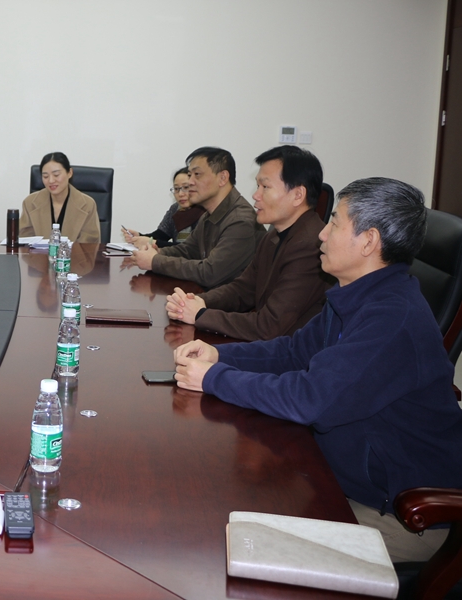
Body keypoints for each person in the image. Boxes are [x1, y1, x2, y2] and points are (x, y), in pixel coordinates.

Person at [174, 178, 462, 562]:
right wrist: (219, 356)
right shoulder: (354, 295)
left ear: (369, 241)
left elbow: (311, 400)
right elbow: (294, 352)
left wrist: (214, 379)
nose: (322, 234)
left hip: (399, 514)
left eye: (335, 223)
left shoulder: (393, 318)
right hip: (339, 477)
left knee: (242, 552)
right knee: (217, 502)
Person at [164, 146, 334, 341]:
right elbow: (243, 289)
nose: (256, 195)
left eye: (265, 187)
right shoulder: (273, 236)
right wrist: (196, 301)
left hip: (291, 355)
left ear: (298, 195)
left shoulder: (311, 246)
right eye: (257, 186)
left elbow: (268, 326)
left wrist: (201, 315)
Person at [132, 147, 264, 289]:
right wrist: (158, 252)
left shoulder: (240, 220)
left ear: (222, 178)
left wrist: (155, 262)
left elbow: (210, 273)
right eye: (190, 175)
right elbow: (188, 250)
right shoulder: (209, 214)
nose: (190, 182)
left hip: (232, 300)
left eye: (197, 174)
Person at [18, 152, 100, 243]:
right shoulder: (30, 203)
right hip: (39, 253)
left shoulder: (87, 204)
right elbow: (25, 241)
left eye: (56, 175)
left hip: (75, 253)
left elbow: (89, 244)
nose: (51, 180)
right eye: (45, 176)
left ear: (70, 173)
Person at [122, 167, 205, 247]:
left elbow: (191, 249)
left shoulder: (206, 212)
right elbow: (161, 235)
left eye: (186, 187)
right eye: (176, 189)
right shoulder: (175, 209)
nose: (180, 194)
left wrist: (152, 242)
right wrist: (139, 236)